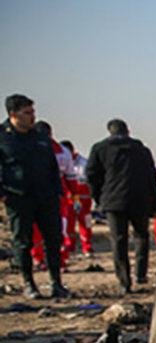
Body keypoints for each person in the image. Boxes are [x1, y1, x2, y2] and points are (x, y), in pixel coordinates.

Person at [0, 94, 68, 298]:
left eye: (33, 112)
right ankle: (29, 284)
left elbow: (52, 166)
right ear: (13, 114)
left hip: (47, 196)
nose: (32, 117)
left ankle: (57, 283)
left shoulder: (40, 136)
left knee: (54, 240)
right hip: (18, 198)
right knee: (23, 242)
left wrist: (57, 191)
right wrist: (3, 195)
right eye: (27, 113)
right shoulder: (3, 137)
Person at [85, 118, 156, 294]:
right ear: (128, 131)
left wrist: (100, 198)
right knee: (142, 236)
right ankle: (140, 274)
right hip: (139, 200)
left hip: (114, 201)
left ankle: (123, 281)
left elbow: (91, 176)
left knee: (119, 240)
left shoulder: (100, 149)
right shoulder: (141, 150)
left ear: (109, 132)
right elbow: (152, 178)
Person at [28, 120, 75, 269]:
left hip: (53, 195)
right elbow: (71, 177)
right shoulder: (62, 151)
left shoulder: (61, 151)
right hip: (49, 194)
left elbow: (71, 177)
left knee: (55, 229)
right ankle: (48, 259)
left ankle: (51, 260)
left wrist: (74, 196)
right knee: (55, 229)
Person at [62, 140, 95, 258]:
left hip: (85, 202)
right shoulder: (62, 163)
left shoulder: (84, 163)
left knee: (86, 225)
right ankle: (70, 249)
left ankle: (87, 248)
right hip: (70, 201)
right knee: (69, 226)